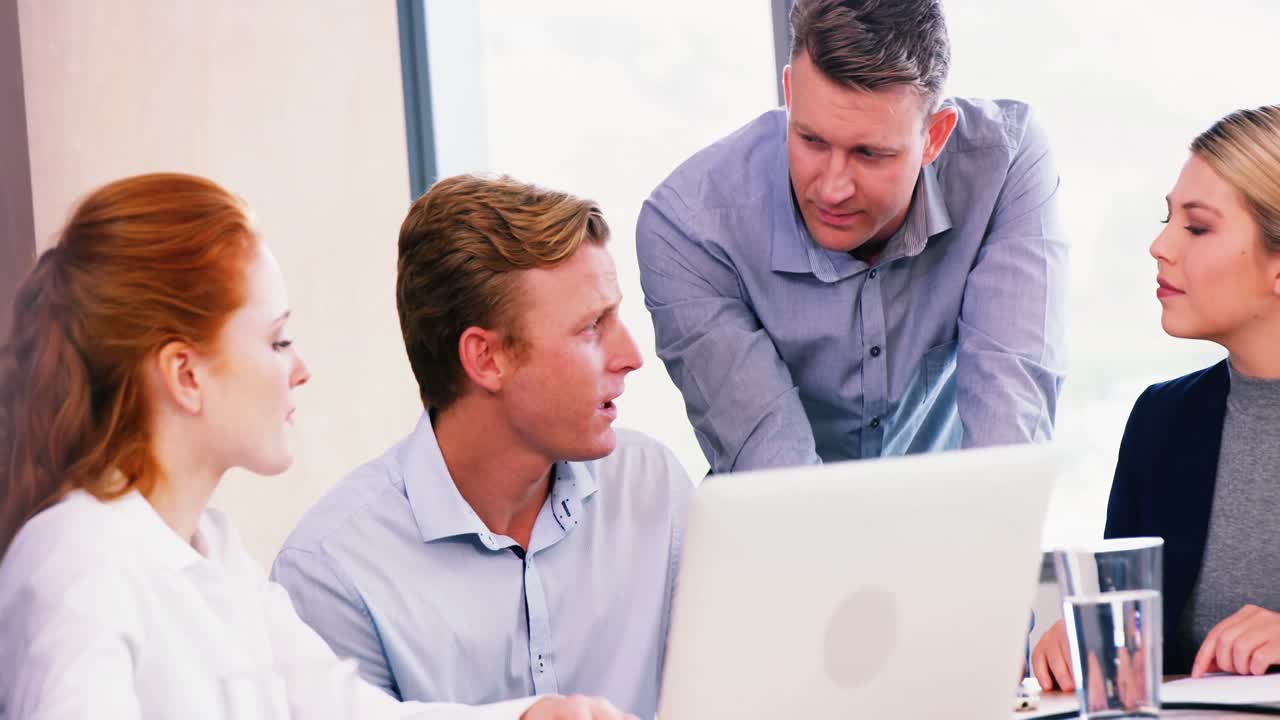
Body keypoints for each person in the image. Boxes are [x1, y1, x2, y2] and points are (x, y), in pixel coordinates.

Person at [0, 173, 634, 720]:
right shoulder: (76, 561)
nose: (299, 368)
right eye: (277, 341)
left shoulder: (217, 558)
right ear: (185, 375)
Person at [271, 174, 692, 718]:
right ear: (486, 359)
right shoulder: (331, 572)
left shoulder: (652, 484)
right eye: (592, 326)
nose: (632, 354)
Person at [636, 0, 1067, 473]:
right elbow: (773, 470)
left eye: (869, 153)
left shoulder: (1003, 166)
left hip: (960, 528)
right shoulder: (690, 227)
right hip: (787, 537)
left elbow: (1008, 434)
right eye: (811, 140)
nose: (832, 189)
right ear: (789, 94)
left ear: (934, 137)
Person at [1032, 105, 1280, 690]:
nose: (1159, 246)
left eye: (1196, 228)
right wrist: (1080, 643)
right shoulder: (1162, 420)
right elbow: (1129, 639)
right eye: (1168, 219)